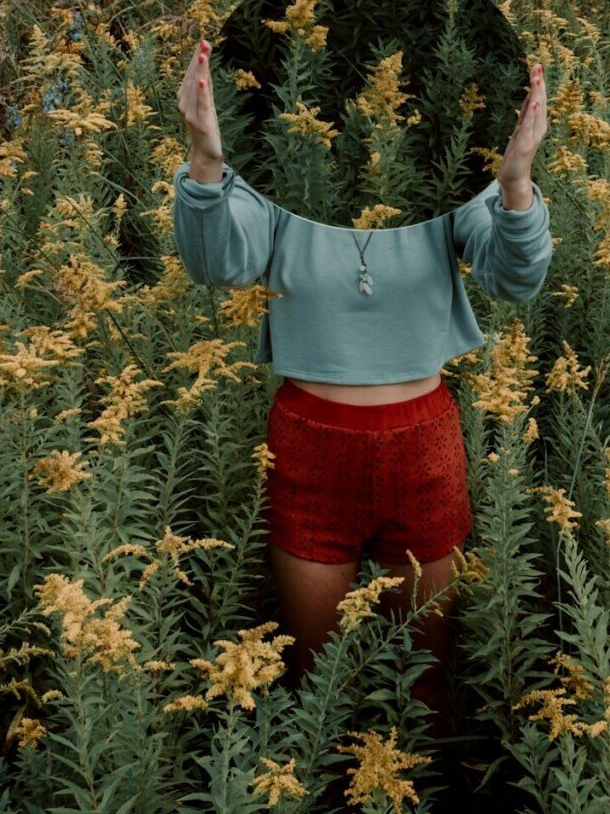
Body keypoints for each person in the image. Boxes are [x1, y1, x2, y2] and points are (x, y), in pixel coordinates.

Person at [173, 39, 552, 740]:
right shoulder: (278, 179)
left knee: (426, 679)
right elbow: (216, 263)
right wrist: (205, 160)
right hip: (310, 447)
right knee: (320, 684)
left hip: (424, 445)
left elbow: (515, 278)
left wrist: (516, 183)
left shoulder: (450, 188)